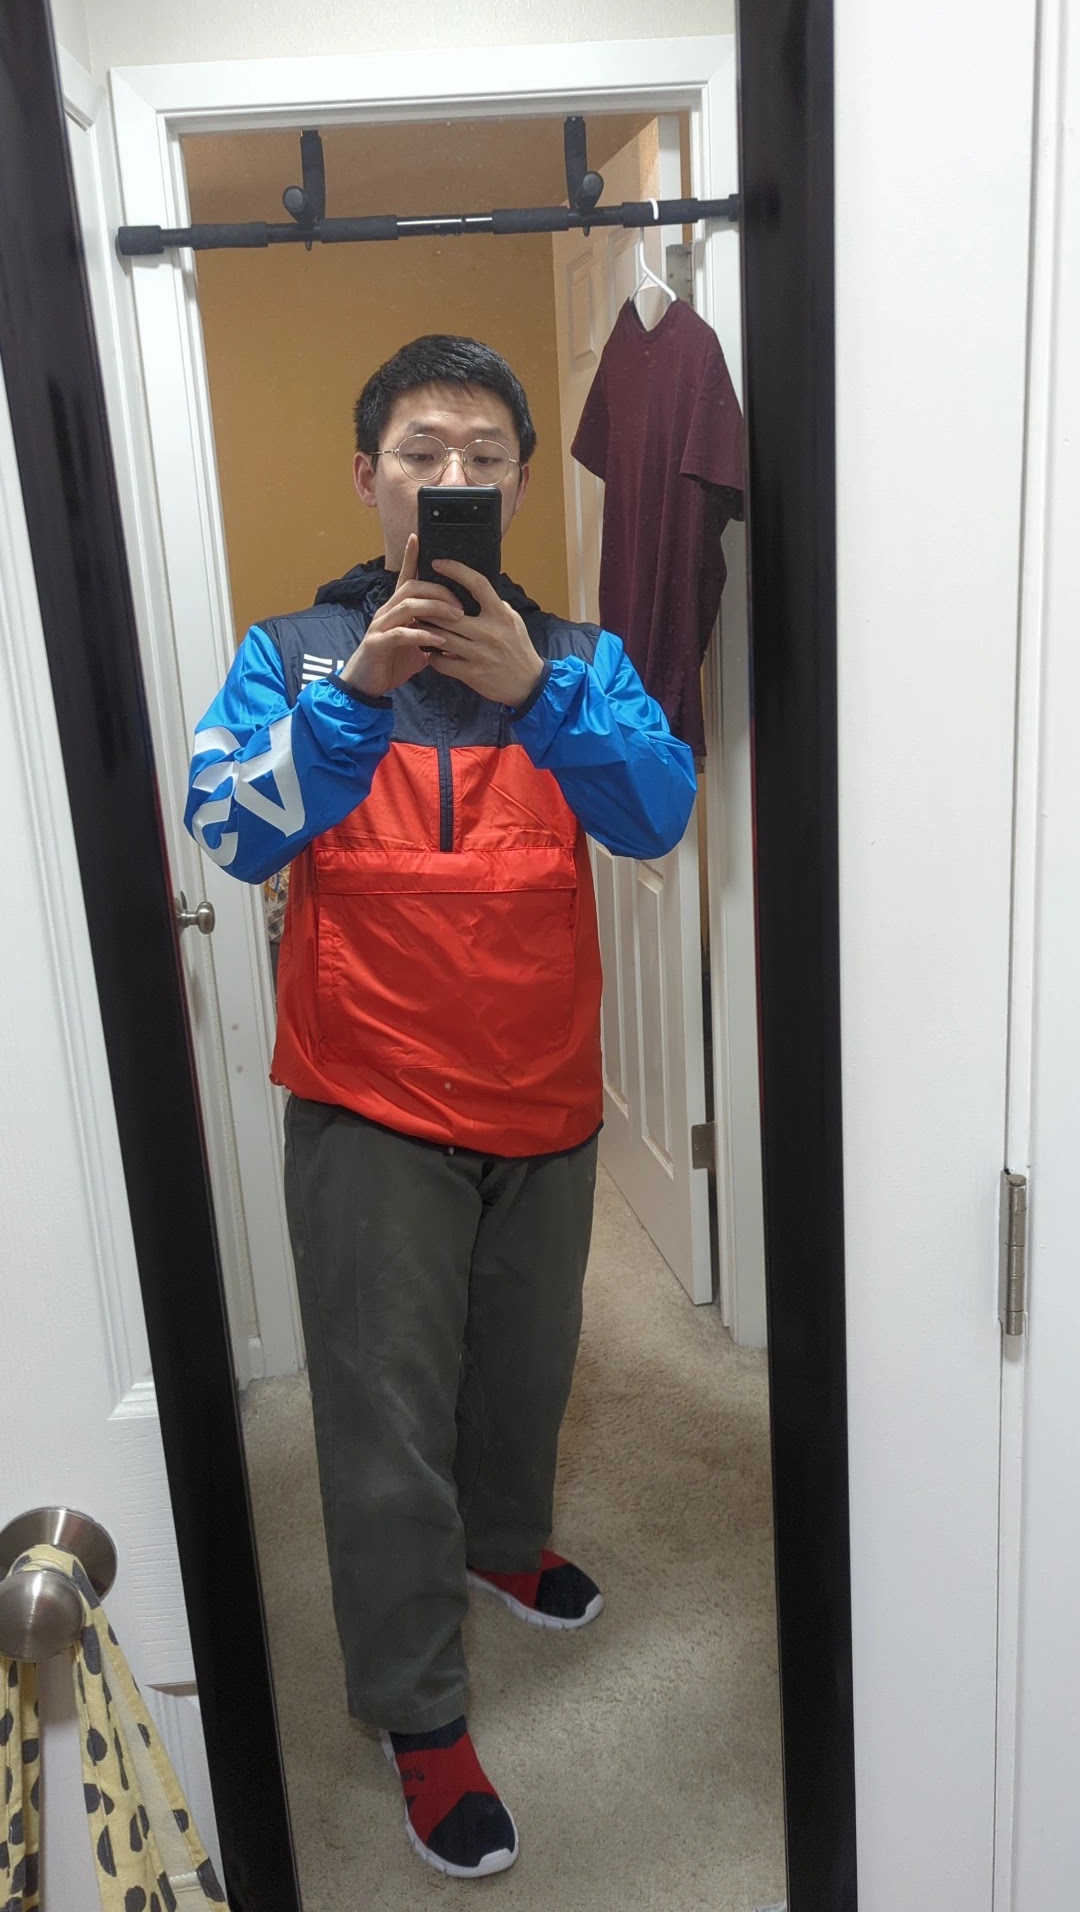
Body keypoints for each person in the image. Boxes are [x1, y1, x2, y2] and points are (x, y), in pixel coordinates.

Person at [185, 335, 698, 1879]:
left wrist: (540, 696)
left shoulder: (581, 658)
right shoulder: (293, 655)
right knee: (386, 1427)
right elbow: (230, 831)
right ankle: (418, 1714)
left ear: (521, 485)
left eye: (484, 456)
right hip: (370, 1104)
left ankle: (502, 1546)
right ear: (370, 476)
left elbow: (658, 813)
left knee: (524, 1371)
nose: (453, 478)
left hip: (545, 1096)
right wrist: (359, 698)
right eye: (422, 453)